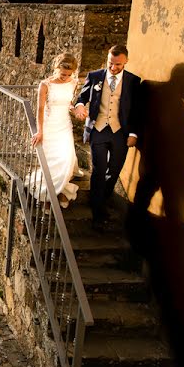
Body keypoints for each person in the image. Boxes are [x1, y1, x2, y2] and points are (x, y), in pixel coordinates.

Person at [73, 45, 143, 232]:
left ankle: (101, 198)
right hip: (98, 129)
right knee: (99, 169)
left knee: (114, 170)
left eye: (117, 64)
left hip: (121, 133)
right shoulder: (95, 76)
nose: (113, 68)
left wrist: (133, 134)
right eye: (110, 63)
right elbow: (82, 97)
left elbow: (137, 110)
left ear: (126, 61)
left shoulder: (133, 81)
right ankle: (98, 213)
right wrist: (79, 106)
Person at [30, 53, 81, 209]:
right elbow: (39, 109)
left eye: (68, 74)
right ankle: (47, 196)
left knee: (66, 159)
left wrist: (75, 110)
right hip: (49, 125)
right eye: (63, 73)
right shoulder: (45, 85)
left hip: (64, 125)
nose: (65, 77)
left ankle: (60, 190)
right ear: (56, 68)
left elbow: (69, 103)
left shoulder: (74, 83)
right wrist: (40, 131)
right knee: (51, 162)